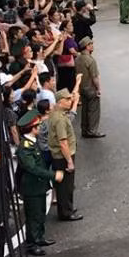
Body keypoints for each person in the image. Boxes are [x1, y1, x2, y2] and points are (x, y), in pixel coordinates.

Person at [17, 109, 64, 256]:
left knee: (41, 212)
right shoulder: (25, 148)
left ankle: (40, 237)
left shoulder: (32, 143)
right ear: (32, 129)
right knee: (33, 216)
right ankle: (32, 243)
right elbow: (32, 168)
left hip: (38, 186)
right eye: (37, 127)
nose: (39, 128)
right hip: (32, 187)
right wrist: (52, 175)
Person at [49, 87, 83, 221]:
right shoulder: (60, 119)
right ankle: (66, 212)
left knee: (65, 184)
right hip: (63, 156)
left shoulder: (56, 114)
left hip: (60, 155)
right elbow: (63, 142)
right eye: (67, 99)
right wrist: (69, 161)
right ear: (59, 102)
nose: (70, 101)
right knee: (65, 185)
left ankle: (67, 207)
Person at [75, 36, 105, 138]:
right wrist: (98, 89)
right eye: (91, 44)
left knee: (85, 109)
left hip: (82, 87)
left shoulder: (78, 58)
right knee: (93, 110)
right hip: (90, 88)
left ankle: (85, 129)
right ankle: (92, 130)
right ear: (87, 46)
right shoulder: (90, 60)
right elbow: (95, 77)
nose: (92, 46)